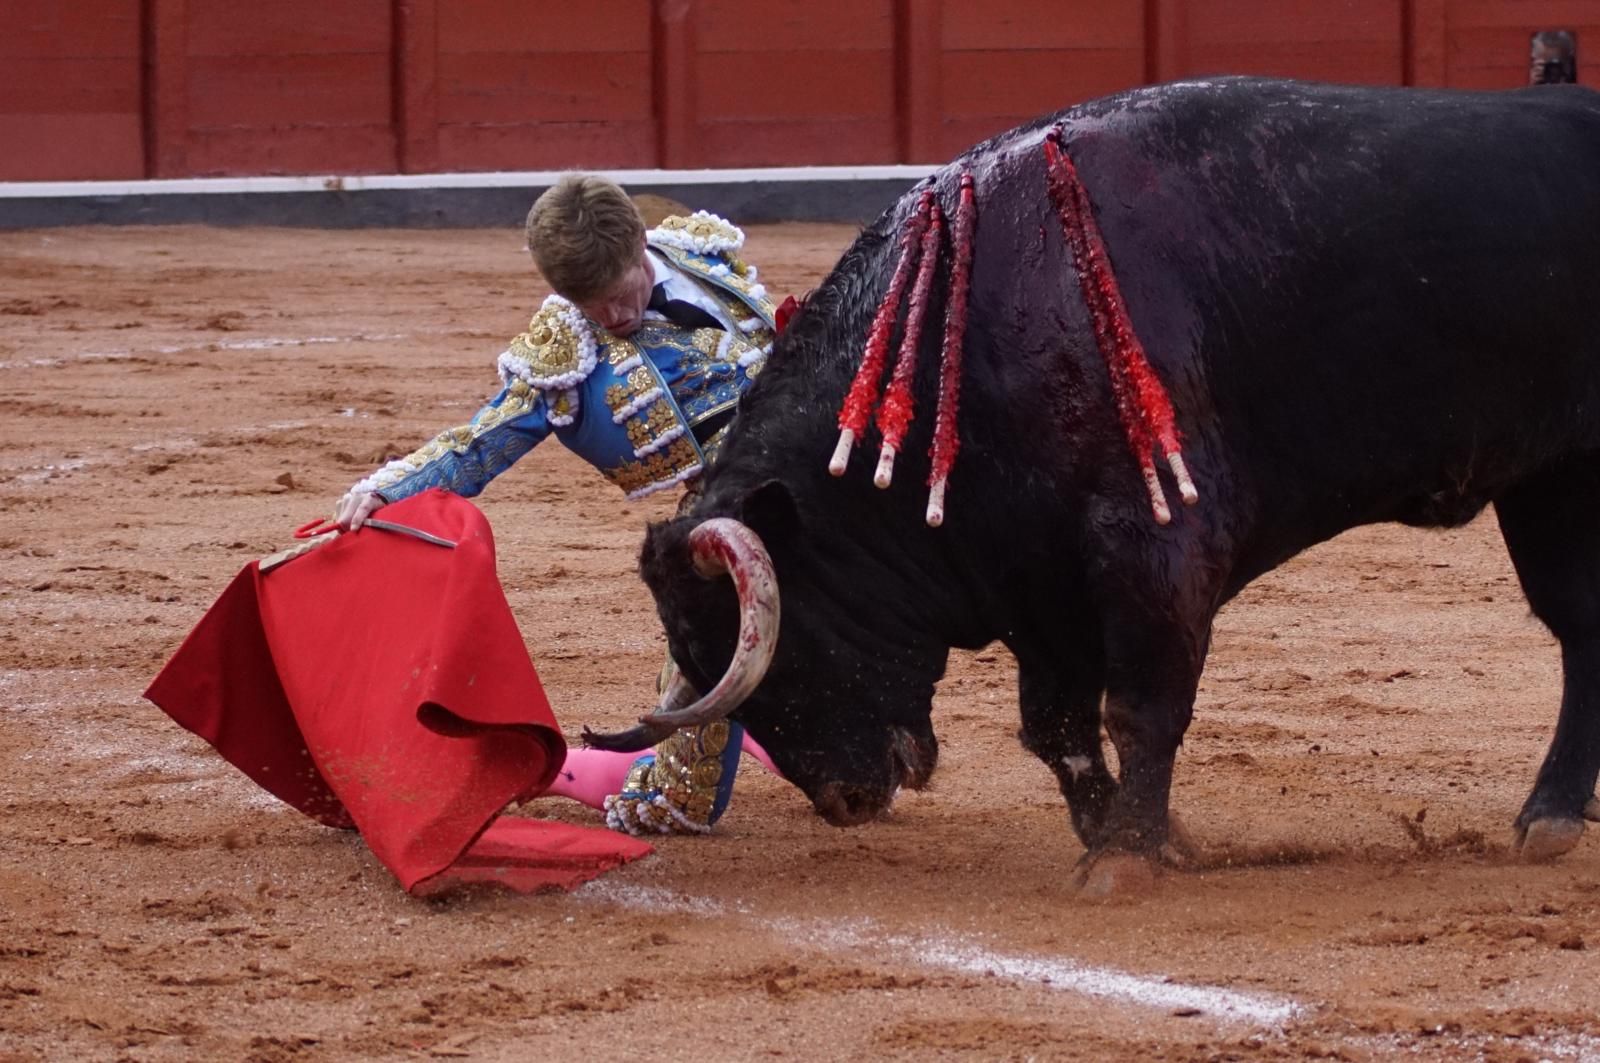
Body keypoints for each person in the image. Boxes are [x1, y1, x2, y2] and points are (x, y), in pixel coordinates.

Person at [332, 174, 780, 835]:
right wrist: (388, 488)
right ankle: (674, 779)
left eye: (621, 292)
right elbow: (481, 441)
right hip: (723, 507)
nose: (614, 318)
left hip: (806, 461)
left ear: (639, 245)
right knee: (711, 613)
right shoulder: (565, 351)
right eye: (591, 306)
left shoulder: (699, 255)